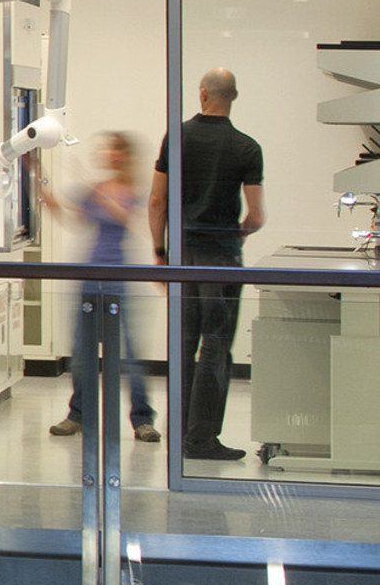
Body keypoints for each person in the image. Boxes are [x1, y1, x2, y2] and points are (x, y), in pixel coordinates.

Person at [151, 67, 265, 463]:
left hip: (183, 256)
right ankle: (201, 439)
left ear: (202, 95)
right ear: (233, 97)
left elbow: (157, 202)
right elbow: (256, 215)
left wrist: (159, 252)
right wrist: (238, 235)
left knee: (183, 343)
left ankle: (178, 432)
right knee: (215, 347)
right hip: (222, 259)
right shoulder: (246, 148)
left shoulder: (176, 137)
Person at [41, 132, 160, 445]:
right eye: (106, 148)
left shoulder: (133, 190)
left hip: (120, 278)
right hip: (90, 276)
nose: (108, 153)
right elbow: (72, 216)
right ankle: (77, 415)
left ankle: (143, 420)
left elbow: (129, 218)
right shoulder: (96, 190)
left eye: (114, 148)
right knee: (82, 352)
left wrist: (109, 200)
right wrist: (43, 190)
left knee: (130, 354)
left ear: (125, 154)